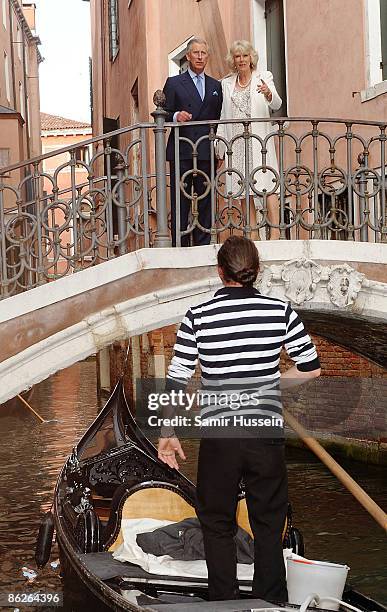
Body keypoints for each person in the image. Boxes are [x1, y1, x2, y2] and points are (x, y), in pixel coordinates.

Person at [158, 235, 321, 602]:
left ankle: (224, 602)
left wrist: (167, 430)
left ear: (220, 272)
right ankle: (271, 600)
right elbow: (310, 370)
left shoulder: (198, 316)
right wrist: (272, 381)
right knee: (268, 520)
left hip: (221, 434)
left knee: (217, 522)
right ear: (256, 272)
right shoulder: (280, 311)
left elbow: (178, 377)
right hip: (265, 432)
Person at [216, 40, 282, 239]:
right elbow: (222, 114)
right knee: (242, 186)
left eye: (245, 55)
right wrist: (218, 141)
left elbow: (277, 104)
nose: (241, 59)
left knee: (267, 183)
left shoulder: (264, 77)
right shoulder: (226, 83)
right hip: (235, 141)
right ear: (233, 60)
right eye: (237, 56)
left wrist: (269, 93)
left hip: (258, 139)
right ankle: (252, 233)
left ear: (251, 58)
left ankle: (275, 232)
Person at [163, 38, 223, 246]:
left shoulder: (216, 85)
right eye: (195, 53)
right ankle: (179, 245)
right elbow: (162, 112)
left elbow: (218, 120)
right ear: (187, 56)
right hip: (182, 150)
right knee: (180, 200)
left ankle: (203, 245)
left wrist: (218, 150)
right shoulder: (173, 83)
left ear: (207, 56)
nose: (199, 57)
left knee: (206, 199)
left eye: (203, 53)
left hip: (206, 150)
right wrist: (176, 115)